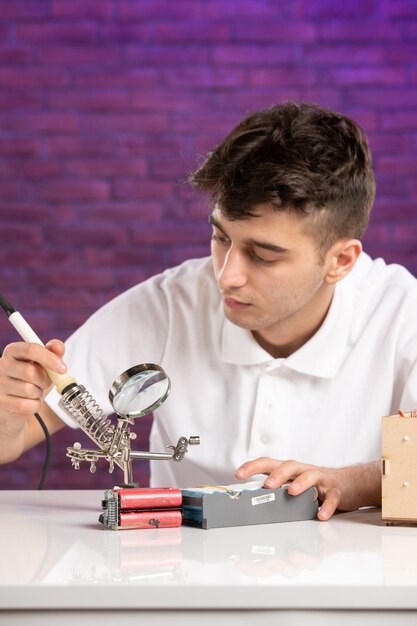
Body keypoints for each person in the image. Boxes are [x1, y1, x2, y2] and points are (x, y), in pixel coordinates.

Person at [0, 101, 415, 522]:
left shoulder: (402, 312)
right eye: (221, 237)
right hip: (182, 574)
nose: (227, 276)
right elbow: (12, 440)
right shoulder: (168, 304)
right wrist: (6, 409)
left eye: (264, 255)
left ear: (340, 261)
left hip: (353, 582)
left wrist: (350, 483)